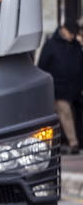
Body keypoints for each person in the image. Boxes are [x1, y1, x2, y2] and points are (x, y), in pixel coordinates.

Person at [37, 20, 83, 155]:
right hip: (58, 88)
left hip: (74, 89)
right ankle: (73, 142)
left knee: (71, 115)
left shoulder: (75, 46)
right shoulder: (51, 45)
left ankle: (69, 141)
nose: (72, 37)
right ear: (63, 30)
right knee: (65, 113)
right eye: (71, 33)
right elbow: (43, 65)